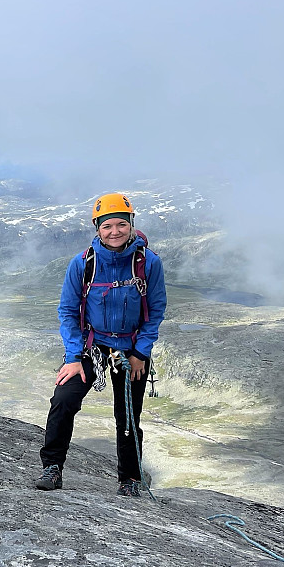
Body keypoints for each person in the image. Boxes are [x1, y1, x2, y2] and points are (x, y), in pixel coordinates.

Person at [35, 192, 166, 497]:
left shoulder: (148, 264)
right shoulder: (82, 264)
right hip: (91, 346)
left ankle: (130, 479)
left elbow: (155, 311)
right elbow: (67, 313)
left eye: (121, 224)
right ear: (97, 228)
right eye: (107, 226)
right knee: (64, 399)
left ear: (131, 224)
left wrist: (140, 353)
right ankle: (52, 468)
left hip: (131, 348)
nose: (115, 231)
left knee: (129, 414)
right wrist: (72, 357)